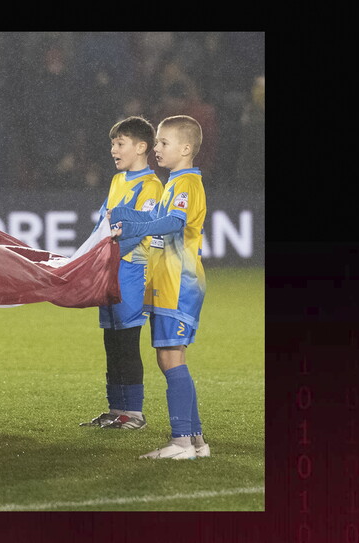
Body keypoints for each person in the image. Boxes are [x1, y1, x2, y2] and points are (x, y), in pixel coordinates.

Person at [109, 115, 210, 460]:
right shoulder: (175, 182)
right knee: (172, 358)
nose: (157, 148)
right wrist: (131, 220)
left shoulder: (184, 184)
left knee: (170, 359)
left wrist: (136, 224)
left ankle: (181, 442)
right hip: (168, 282)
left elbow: (172, 222)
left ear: (185, 149)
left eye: (163, 143)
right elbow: (159, 222)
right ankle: (195, 441)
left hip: (178, 284)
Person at [80, 116, 162, 431]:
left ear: (141, 147)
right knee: (111, 344)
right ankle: (116, 410)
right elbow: (103, 225)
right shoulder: (118, 181)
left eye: (120, 143)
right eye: (113, 143)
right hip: (109, 272)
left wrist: (106, 250)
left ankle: (134, 414)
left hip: (131, 274)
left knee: (127, 344)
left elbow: (140, 230)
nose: (114, 149)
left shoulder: (151, 185)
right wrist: (86, 256)